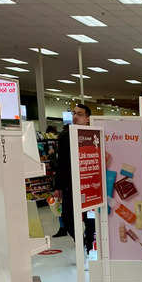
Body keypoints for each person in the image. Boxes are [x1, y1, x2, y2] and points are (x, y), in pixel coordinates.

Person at [53, 104, 96, 250]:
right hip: (70, 184)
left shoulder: (94, 134)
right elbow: (61, 162)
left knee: (90, 217)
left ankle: (90, 241)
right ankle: (81, 241)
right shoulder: (65, 136)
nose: (76, 116)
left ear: (87, 118)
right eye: (74, 113)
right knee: (67, 217)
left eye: (80, 114)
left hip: (90, 183)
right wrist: (57, 186)